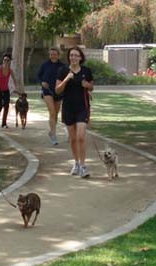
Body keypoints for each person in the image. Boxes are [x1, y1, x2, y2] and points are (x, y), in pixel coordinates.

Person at [55, 46, 94, 178]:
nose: (73, 57)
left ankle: (83, 166)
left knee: (81, 137)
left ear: (80, 58)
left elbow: (91, 86)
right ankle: (76, 163)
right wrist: (66, 79)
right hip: (68, 108)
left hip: (82, 107)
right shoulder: (63, 70)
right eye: (71, 55)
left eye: (76, 55)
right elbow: (57, 90)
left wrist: (87, 85)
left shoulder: (86, 71)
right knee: (72, 139)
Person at [37, 48, 65, 145]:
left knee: (55, 114)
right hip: (47, 91)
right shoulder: (45, 65)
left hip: (58, 91)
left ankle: (51, 131)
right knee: (52, 112)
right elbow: (39, 76)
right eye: (51, 54)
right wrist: (42, 82)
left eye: (54, 54)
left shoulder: (62, 66)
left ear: (58, 55)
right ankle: (54, 135)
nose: (52, 56)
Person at [0, 53, 17, 128]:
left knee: (6, 106)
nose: (5, 61)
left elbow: (14, 79)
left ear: (9, 62)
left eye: (7, 60)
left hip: (6, 90)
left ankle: (4, 123)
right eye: (4, 60)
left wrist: (15, 87)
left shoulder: (10, 70)